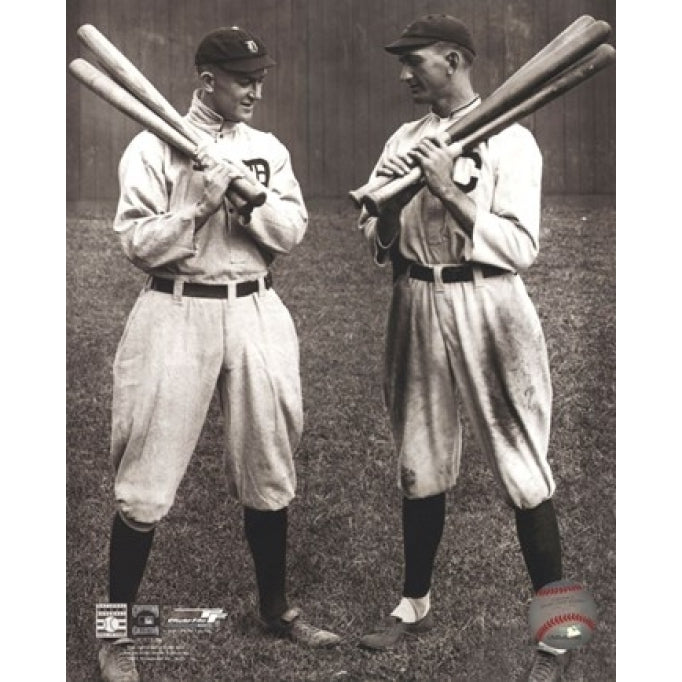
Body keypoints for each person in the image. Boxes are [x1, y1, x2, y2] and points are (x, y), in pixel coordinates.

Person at [97, 25, 340, 682]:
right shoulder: (152, 145)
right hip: (175, 308)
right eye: (241, 78)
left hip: (257, 308)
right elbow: (136, 244)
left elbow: (290, 232)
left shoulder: (266, 149)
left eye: (259, 76)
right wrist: (198, 210)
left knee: (269, 463)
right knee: (144, 480)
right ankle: (116, 633)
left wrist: (249, 196)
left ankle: (275, 608)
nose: (256, 89)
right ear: (207, 79)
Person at [357, 14, 572, 682]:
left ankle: (560, 632)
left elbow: (520, 247)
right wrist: (389, 208)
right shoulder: (405, 137)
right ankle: (414, 604)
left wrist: (446, 188)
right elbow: (376, 238)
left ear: (451, 60)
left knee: (524, 468)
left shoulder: (513, 139)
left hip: (491, 303)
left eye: (413, 62)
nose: (403, 75)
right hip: (417, 298)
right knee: (419, 460)